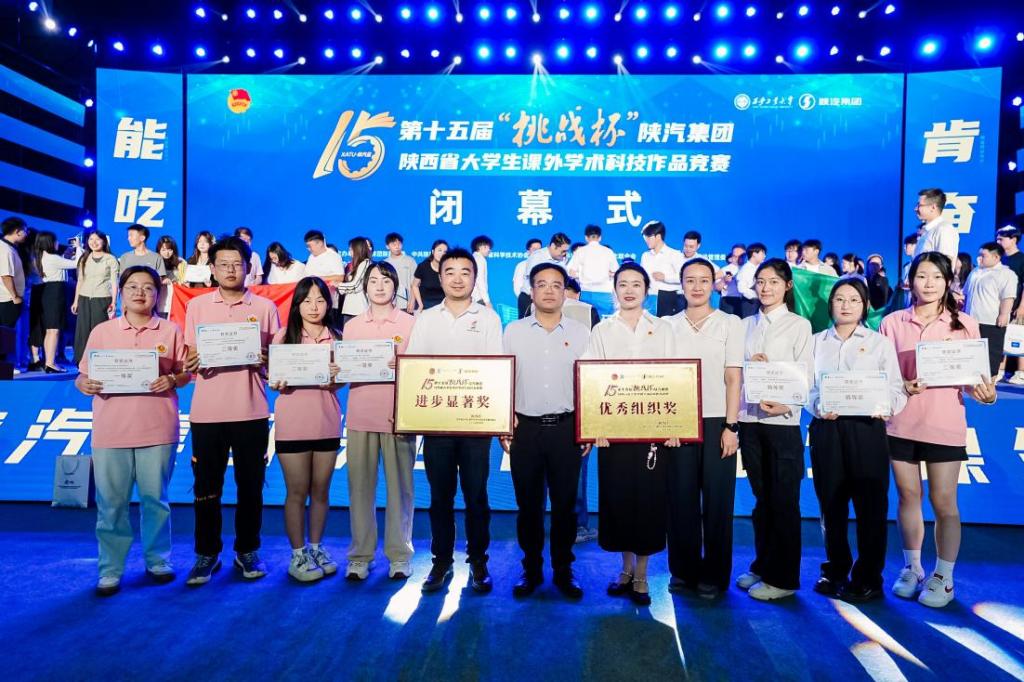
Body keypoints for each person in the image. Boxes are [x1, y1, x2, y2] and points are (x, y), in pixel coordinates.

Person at [880, 252, 996, 608]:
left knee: (944, 502)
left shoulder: (965, 324)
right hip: (900, 423)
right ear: (909, 281)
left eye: (936, 277)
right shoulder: (892, 322)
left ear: (948, 282)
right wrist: (903, 386)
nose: (928, 284)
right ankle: (912, 568)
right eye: (921, 276)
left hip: (944, 425)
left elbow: (975, 380)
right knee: (908, 497)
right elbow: (884, 377)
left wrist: (987, 394)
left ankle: (944, 577)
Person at [75, 265, 189, 595]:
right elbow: (83, 374)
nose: (140, 293)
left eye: (148, 287)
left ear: (158, 294)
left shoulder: (170, 330)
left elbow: (185, 373)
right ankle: (110, 569)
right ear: (121, 293)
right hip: (112, 430)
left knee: (156, 500)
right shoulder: (102, 331)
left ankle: (158, 560)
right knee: (111, 504)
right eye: (133, 287)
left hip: (158, 429)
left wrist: (171, 379)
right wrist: (84, 384)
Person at [182, 236, 281, 586]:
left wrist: (268, 359)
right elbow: (190, 355)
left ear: (247, 268)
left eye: (237, 264)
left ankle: (247, 549)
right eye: (223, 264)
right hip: (207, 412)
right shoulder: (197, 307)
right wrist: (192, 361)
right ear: (212, 268)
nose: (230, 270)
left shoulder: (265, 308)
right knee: (206, 487)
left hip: (251, 410)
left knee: (251, 485)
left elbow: (275, 362)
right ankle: (206, 553)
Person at [406, 247, 503, 594]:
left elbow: (497, 368)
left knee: (476, 496)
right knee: (440, 497)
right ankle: (441, 562)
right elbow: (414, 367)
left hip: (476, 423)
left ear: (475, 278)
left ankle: (478, 561)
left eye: (465, 272)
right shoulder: (426, 319)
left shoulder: (488, 319)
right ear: (440, 276)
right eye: (450, 272)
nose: (458, 279)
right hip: (438, 424)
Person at [806, 278, 906, 602]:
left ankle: (868, 577)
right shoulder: (815, 342)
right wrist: (818, 406)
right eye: (839, 299)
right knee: (830, 503)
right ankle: (835, 569)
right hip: (827, 428)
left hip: (867, 429)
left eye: (854, 299)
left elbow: (896, 388)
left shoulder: (879, 343)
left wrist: (884, 406)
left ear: (864, 306)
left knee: (871, 506)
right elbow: (806, 386)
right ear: (831, 304)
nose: (846, 305)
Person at [582, 262, 676, 606]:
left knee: (649, 502)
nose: (630, 290)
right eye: (623, 284)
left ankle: (642, 574)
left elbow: (675, 377)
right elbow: (590, 378)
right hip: (614, 432)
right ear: (615, 290)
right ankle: (624, 569)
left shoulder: (663, 329)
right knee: (618, 499)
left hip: (653, 431)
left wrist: (674, 426)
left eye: (637, 284)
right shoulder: (602, 330)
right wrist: (595, 426)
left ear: (647, 291)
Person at [500, 263, 590, 599]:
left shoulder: (582, 333)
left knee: (566, 506)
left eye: (556, 284)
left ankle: (564, 570)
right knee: (529, 506)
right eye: (542, 284)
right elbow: (502, 378)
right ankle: (532, 569)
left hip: (567, 429)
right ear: (532, 290)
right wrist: (502, 420)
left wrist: (588, 427)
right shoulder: (513, 331)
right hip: (525, 430)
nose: (549, 291)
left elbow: (589, 383)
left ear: (565, 291)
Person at [736, 258, 813, 601]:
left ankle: (783, 579)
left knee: (784, 501)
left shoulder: (799, 325)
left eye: (773, 282)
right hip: (750, 421)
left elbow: (806, 374)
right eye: (761, 281)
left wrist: (788, 404)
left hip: (782, 423)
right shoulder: (744, 325)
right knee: (762, 499)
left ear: (788, 286)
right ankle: (763, 564)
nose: (766, 288)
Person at [666, 258, 743, 600]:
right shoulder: (666, 325)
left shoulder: (730, 323)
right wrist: (666, 423)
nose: (696, 287)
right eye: (690, 280)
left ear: (714, 284)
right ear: (680, 284)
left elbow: (733, 377)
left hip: (717, 422)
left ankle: (715, 574)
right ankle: (683, 571)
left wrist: (731, 426)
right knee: (680, 500)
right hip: (677, 422)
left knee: (717, 501)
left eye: (703, 280)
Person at [342, 262, 417, 580]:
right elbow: (344, 369)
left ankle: (399, 554)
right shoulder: (352, 326)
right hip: (360, 415)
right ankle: (361, 555)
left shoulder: (412, 323)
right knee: (360, 488)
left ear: (396, 286)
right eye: (373, 281)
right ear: (364, 287)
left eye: (386, 280)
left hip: (399, 417)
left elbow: (422, 370)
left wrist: (406, 366)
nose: (379, 286)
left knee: (401, 489)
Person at [268, 276, 343, 583]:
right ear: (296, 305)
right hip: (293, 424)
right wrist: (277, 381)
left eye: (320, 300)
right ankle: (297, 554)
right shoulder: (284, 337)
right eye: (307, 300)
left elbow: (342, 380)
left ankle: (316, 548)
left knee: (321, 491)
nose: (314, 307)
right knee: (297, 491)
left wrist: (337, 378)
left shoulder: (336, 337)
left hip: (327, 422)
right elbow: (274, 379)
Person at [964, 242, 1018, 380]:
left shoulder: (1007, 274)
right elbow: (966, 294)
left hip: (991, 322)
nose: (979, 258)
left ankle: (990, 382)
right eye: (979, 255)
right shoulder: (975, 272)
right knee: (970, 353)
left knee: (990, 355)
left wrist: (1004, 314)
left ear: (996, 257)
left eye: (983, 256)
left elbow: (1008, 297)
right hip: (970, 321)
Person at [29, 231, 79, 373]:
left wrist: (64, 257)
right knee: (53, 330)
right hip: (54, 292)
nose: (57, 243)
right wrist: (79, 247)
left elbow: (60, 265)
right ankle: (50, 363)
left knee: (48, 330)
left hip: (42, 291)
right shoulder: (52, 258)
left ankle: (47, 361)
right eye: (56, 240)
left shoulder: (38, 257)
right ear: (50, 243)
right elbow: (77, 263)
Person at [72, 231, 118, 364]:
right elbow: (80, 281)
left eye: (97, 239)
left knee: (99, 331)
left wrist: (114, 302)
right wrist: (75, 301)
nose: (94, 242)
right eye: (91, 239)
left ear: (104, 241)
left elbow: (114, 282)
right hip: (84, 298)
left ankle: (100, 362)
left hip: (102, 298)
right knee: (82, 331)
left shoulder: (110, 259)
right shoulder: (84, 258)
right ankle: (81, 362)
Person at [519, 233, 572, 318]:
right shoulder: (537, 256)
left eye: (566, 251)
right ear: (553, 246)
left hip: (550, 300)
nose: (565, 254)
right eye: (563, 251)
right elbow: (533, 279)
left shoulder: (562, 260)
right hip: (530, 299)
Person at [996, 226, 1024, 384]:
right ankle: (1000, 370)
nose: (998, 241)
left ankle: (1021, 372)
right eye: (997, 239)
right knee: (1002, 337)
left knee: (1019, 337)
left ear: (1013, 239)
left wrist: (1022, 307)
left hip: (1018, 305)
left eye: (1001, 239)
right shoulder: (1000, 259)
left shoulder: (1021, 259)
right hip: (1001, 305)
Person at [639, 221, 685, 317]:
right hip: (648, 298)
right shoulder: (645, 256)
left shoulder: (674, 254)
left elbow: (684, 277)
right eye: (645, 237)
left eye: (649, 237)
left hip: (668, 298)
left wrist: (665, 277)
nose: (646, 240)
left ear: (658, 236)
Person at [0, 218, 28, 366]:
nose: (26, 234)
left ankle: (5, 364)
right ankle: (5, 365)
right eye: (25, 231)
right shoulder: (5, 250)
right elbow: (6, 275)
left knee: (6, 332)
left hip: (6, 297)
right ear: (18, 231)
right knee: (6, 332)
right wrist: (15, 296)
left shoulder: (8, 248)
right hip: (7, 298)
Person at [567, 225, 619, 301]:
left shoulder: (580, 251)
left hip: (585, 291)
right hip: (604, 293)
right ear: (600, 237)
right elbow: (616, 272)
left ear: (586, 237)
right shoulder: (608, 252)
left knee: (585, 309)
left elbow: (571, 272)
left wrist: (582, 275)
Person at [913, 189, 958, 262]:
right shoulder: (927, 231)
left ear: (933, 207)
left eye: (919, 205)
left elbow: (945, 263)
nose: (915, 209)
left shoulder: (944, 229)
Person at [335, 236, 371, 324]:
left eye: (351, 249)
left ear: (357, 249)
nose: (349, 252)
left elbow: (356, 285)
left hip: (359, 309)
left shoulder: (365, 263)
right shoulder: (356, 265)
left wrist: (338, 285)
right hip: (349, 309)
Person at [303, 229, 346, 294]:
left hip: (326, 294)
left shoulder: (333, 256)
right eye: (307, 246)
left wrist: (317, 278)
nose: (308, 249)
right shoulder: (311, 257)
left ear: (319, 243)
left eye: (309, 246)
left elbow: (340, 277)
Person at [411, 239, 448, 312]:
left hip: (442, 307)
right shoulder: (423, 266)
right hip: (425, 306)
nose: (442, 254)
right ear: (433, 251)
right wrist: (420, 304)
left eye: (445, 252)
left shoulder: (448, 268)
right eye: (439, 250)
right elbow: (414, 285)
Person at [384, 232, 418, 312]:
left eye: (399, 244)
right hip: (389, 304)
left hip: (406, 304)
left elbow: (415, 284)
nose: (397, 247)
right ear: (387, 246)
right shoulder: (385, 263)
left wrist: (412, 301)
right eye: (393, 244)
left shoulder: (410, 261)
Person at [512, 238, 543, 316]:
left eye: (539, 250)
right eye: (534, 249)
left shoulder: (544, 266)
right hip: (526, 299)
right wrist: (523, 299)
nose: (537, 252)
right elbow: (517, 285)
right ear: (528, 251)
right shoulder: (522, 265)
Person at [735, 242, 766, 319]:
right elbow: (741, 289)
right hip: (750, 303)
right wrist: (756, 296)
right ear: (754, 254)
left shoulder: (761, 268)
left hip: (760, 302)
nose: (764, 256)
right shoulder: (745, 269)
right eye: (762, 253)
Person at [716, 244, 746, 316]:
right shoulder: (725, 269)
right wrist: (724, 280)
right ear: (732, 256)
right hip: (728, 301)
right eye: (735, 256)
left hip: (746, 301)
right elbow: (716, 287)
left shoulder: (748, 268)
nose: (737, 259)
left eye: (740, 256)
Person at [156, 236, 182, 318]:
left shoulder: (181, 263)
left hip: (175, 300)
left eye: (169, 250)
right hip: (160, 301)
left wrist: (176, 282)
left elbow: (184, 280)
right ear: (159, 250)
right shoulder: (155, 262)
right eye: (163, 250)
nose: (167, 253)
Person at [470, 235, 493, 307]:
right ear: (480, 248)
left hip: (472, 297)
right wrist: (487, 301)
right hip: (478, 298)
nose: (489, 250)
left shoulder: (472, 257)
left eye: (489, 248)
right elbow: (480, 280)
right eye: (486, 247)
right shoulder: (480, 259)